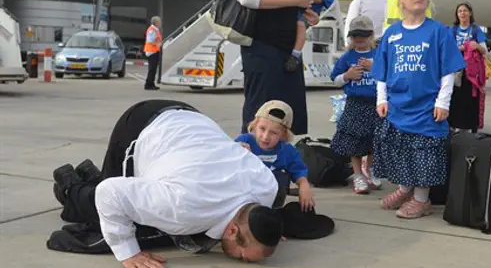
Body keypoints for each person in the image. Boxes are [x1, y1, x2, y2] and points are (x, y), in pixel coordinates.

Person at [50, 100, 282, 267]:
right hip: (141, 125)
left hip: (193, 118)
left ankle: (89, 173)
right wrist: (128, 253)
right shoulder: (182, 209)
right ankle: (69, 185)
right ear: (232, 231)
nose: (239, 259)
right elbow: (109, 194)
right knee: (109, 216)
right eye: (242, 256)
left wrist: (269, 230)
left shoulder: (268, 186)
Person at [371, 0, 464, 219]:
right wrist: (382, 99)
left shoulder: (438, 31)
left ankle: (422, 199)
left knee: (425, 153)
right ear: (400, 1)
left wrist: (443, 102)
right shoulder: (392, 34)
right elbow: (382, 70)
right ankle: (404, 189)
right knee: (402, 151)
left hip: (427, 107)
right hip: (398, 107)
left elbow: (448, 70)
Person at [237, 0, 320, 135]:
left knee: (288, 115)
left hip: (288, 52)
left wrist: (304, 13)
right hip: (263, 47)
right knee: (260, 113)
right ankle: (250, 160)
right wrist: (293, 1)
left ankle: (278, 164)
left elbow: (285, 8)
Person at [330, 15, 384, 194]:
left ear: (371, 36)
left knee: (375, 140)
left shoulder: (379, 55)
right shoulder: (347, 58)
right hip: (355, 104)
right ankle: (358, 174)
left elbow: (388, 76)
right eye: (355, 36)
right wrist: (347, 76)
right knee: (354, 141)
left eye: (363, 36)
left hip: (376, 104)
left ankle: (370, 169)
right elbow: (334, 79)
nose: (359, 40)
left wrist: (373, 68)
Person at [235, 100, 314, 210]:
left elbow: (299, 170)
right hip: (244, 191)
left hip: (271, 194)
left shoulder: (287, 150)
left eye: (274, 133)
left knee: (281, 177)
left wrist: (304, 186)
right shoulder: (245, 140)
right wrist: (236, 149)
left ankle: (272, 209)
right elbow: (224, 158)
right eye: (262, 129)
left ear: (283, 135)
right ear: (254, 126)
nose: (266, 136)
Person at [448, 2, 488, 133]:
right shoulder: (453, 30)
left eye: (465, 11)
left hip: (472, 71)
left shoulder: (476, 30)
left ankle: (472, 125)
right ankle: (454, 124)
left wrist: (476, 46)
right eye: (460, 11)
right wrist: (462, 48)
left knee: (471, 98)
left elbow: (484, 50)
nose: (462, 13)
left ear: (470, 13)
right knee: (456, 97)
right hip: (456, 69)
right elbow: (447, 49)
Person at [143, 16, 162, 91]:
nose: (160, 23)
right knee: (152, 69)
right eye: (159, 22)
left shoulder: (155, 29)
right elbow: (150, 40)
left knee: (153, 69)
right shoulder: (152, 30)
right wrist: (158, 44)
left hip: (154, 51)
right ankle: (148, 84)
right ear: (156, 23)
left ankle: (151, 83)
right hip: (152, 52)